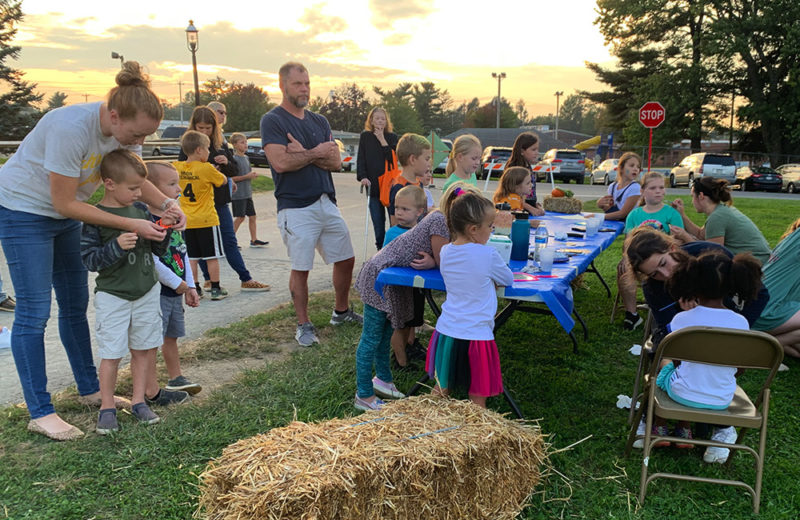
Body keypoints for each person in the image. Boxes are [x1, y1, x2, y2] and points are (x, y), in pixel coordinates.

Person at [0, 62, 184, 441]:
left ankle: (89, 390)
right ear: (114, 116)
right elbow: (65, 202)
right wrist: (132, 223)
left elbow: (137, 174)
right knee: (34, 311)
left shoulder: (124, 133)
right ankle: (40, 410)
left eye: (146, 136)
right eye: (136, 134)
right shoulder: (70, 128)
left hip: (67, 212)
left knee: (73, 303)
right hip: (23, 211)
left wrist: (166, 203)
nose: (139, 141)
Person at [261, 61, 362, 347]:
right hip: (295, 206)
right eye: (297, 84)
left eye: (307, 83)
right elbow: (280, 163)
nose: (304, 88)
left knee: (346, 258)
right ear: (282, 86)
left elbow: (335, 162)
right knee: (301, 266)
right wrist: (317, 153)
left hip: (326, 200)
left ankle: (340, 312)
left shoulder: (320, 121)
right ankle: (303, 325)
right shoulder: (273, 120)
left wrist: (304, 153)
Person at [353, 182, 476, 410]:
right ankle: (364, 395)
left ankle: (382, 379)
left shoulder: (442, 219)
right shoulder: (440, 220)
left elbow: (438, 257)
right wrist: (434, 262)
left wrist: (432, 262)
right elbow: (444, 262)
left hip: (391, 279)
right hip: (379, 278)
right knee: (371, 338)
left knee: (386, 333)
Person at [79, 150, 171, 434]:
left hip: (146, 291)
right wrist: (116, 246)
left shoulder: (142, 210)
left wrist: (162, 233)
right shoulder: (95, 217)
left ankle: (139, 401)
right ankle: (107, 406)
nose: (138, 194)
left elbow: (156, 251)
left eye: (140, 188)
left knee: (144, 349)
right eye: (133, 189)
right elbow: (90, 260)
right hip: (113, 295)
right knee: (112, 353)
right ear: (109, 183)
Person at [652, 250, 761, 463]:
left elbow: (676, 361)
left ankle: (658, 424)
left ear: (692, 281)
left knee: (662, 365)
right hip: (722, 399)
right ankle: (705, 435)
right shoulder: (741, 323)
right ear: (732, 284)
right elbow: (739, 369)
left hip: (681, 393)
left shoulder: (681, 320)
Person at [426, 190, 514, 408]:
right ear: (474, 230)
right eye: (490, 226)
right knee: (477, 396)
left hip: (447, 331)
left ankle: (428, 419)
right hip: (477, 335)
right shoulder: (489, 254)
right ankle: (475, 431)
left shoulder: (446, 251)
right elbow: (508, 278)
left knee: (442, 386)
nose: (492, 230)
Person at [624, 228, 769, 348]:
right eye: (654, 274)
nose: (666, 275)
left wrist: (738, 330)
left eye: (663, 263)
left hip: (725, 330)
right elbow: (666, 333)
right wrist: (690, 316)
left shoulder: (711, 256)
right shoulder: (652, 287)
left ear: (672, 248)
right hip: (681, 338)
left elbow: (760, 293)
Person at [180, 106, 271, 295]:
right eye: (200, 127)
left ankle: (245, 279)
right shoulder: (188, 147)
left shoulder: (221, 144)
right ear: (193, 126)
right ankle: (208, 281)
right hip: (198, 206)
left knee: (229, 240)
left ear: (214, 127)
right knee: (201, 248)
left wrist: (226, 163)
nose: (204, 132)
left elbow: (234, 171)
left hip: (219, 202)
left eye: (208, 128)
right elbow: (183, 173)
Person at [145, 161, 201, 396]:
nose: (178, 189)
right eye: (171, 184)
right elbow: (150, 260)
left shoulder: (176, 217)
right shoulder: (146, 220)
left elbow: (182, 252)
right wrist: (176, 283)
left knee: (171, 336)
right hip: (158, 291)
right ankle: (150, 385)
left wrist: (190, 285)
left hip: (176, 290)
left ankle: (176, 377)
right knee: (149, 342)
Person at [617, 172, 684, 330]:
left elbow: (679, 242)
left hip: (662, 261)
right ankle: (632, 314)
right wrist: (626, 259)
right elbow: (628, 242)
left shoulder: (671, 213)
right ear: (642, 191)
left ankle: (663, 308)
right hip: (640, 260)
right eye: (653, 188)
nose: (658, 191)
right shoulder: (635, 214)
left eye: (661, 187)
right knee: (623, 270)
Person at [173, 130, 228, 300]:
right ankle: (216, 288)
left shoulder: (177, 166)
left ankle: (195, 287)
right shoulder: (206, 168)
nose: (209, 152)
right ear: (199, 150)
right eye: (207, 149)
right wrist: (215, 170)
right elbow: (223, 181)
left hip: (186, 220)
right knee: (212, 256)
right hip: (206, 219)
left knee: (192, 257)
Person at [670, 177, 771, 264]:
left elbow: (711, 254)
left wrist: (685, 236)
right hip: (757, 260)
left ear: (701, 196)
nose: (692, 201)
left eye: (692, 196)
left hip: (757, 263)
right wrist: (682, 214)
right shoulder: (720, 210)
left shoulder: (717, 217)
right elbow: (701, 235)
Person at [752, 219, 800, 358]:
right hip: (766, 310)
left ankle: (766, 340)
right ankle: (760, 348)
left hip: (755, 307)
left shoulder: (794, 235)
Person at [356, 107, 399, 250]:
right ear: (371, 120)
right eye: (377, 118)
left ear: (386, 121)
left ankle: (394, 249)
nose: (380, 121)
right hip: (373, 186)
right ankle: (380, 250)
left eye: (383, 118)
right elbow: (361, 158)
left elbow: (393, 160)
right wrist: (363, 177)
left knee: (395, 223)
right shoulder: (365, 137)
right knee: (378, 224)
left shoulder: (392, 138)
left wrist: (382, 139)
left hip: (390, 186)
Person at [229, 132, 268, 247]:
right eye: (242, 142)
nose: (245, 145)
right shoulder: (234, 159)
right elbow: (232, 178)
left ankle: (254, 240)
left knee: (252, 216)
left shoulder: (246, 157)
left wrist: (252, 175)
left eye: (246, 142)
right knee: (240, 217)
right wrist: (247, 177)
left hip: (247, 193)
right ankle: (230, 241)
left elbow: (248, 173)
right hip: (238, 194)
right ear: (235, 145)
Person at [388, 133, 430, 226]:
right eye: (426, 159)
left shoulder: (419, 184)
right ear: (413, 159)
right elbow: (395, 223)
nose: (429, 164)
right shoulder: (399, 187)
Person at [504, 132, 544, 216]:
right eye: (533, 150)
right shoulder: (515, 169)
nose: (537, 153)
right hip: (517, 211)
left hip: (529, 210)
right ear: (522, 151)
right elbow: (512, 195)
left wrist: (536, 206)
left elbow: (530, 194)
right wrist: (531, 208)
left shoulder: (528, 166)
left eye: (537, 149)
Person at [596, 152, 642, 221]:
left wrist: (600, 217)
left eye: (638, 167)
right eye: (631, 166)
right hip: (614, 222)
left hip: (627, 224)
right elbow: (610, 208)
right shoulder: (612, 186)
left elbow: (623, 214)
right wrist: (600, 204)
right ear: (621, 168)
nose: (635, 169)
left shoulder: (635, 188)